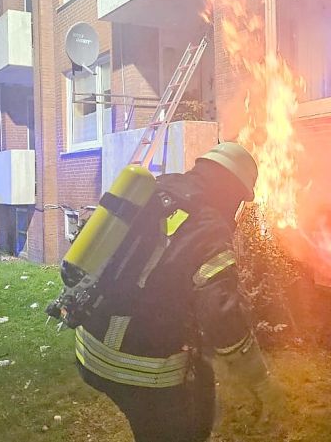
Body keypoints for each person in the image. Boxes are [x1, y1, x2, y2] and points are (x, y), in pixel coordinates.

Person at [71, 142, 281, 442]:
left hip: (88, 343)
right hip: (136, 365)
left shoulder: (158, 189)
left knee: (199, 384)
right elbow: (222, 313)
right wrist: (260, 380)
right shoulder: (210, 227)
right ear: (233, 191)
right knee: (186, 428)